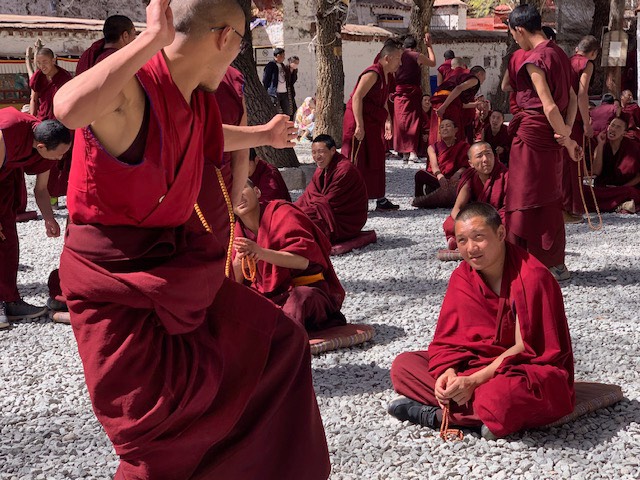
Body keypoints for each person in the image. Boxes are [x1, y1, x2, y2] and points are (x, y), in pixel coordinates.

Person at [53, 0, 330, 477]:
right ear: (226, 39)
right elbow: (68, 108)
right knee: (161, 429)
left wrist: (261, 132)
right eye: (242, 44)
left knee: (279, 345)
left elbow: (203, 134)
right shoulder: (132, 90)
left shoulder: (191, 99)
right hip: (120, 290)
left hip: (177, 276)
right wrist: (149, 40)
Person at [388, 202, 575, 440]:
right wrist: (449, 373)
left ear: (500, 233)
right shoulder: (462, 277)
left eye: (478, 237)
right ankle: (482, 418)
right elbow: (449, 342)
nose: (471, 248)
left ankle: (435, 416)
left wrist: (474, 381)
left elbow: (527, 347)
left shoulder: (532, 277)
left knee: (504, 397)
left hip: (519, 370)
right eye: (462, 240)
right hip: (472, 367)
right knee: (403, 366)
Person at [505, 4, 580, 282]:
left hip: (534, 134)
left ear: (520, 29)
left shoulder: (535, 59)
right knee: (549, 197)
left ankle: (522, 262)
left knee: (524, 198)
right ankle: (554, 264)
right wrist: (567, 132)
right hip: (552, 135)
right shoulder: (559, 53)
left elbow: (548, 106)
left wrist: (567, 135)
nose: (515, 40)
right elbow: (571, 98)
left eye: (514, 34)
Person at [234, 180, 347, 331]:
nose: (238, 197)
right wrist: (238, 262)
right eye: (232, 194)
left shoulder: (282, 212)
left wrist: (261, 253)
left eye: (242, 188)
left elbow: (303, 262)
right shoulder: (235, 231)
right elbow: (234, 281)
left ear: (257, 192)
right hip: (266, 296)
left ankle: (279, 337)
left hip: (303, 288)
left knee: (300, 300)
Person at [0, 109, 71, 328]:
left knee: (7, 239)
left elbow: (41, 190)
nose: (60, 159)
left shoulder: (46, 141)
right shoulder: (7, 133)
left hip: (4, 178)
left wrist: (49, 219)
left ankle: (10, 300)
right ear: (40, 147)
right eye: (58, 154)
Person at [341, 39, 403, 211]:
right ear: (388, 58)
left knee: (375, 157)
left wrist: (388, 121)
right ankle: (350, 198)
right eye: (398, 58)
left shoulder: (386, 75)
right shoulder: (373, 73)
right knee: (357, 159)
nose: (401, 62)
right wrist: (359, 126)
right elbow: (357, 97)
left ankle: (380, 198)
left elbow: (382, 100)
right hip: (358, 119)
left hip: (373, 121)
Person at [295, 134, 368, 243]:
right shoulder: (321, 168)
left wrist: (300, 212)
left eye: (321, 152)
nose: (317, 157)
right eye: (314, 153)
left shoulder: (345, 170)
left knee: (299, 220)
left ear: (333, 150)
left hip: (344, 222)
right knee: (289, 214)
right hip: (325, 212)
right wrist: (292, 208)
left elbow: (328, 202)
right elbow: (308, 195)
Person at [442, 142, 508, 250]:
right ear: (471, 163)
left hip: (495, 219)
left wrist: (483, 225)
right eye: (479, 156)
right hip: (473, 220)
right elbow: (457, 209)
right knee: (450, 223)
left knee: (509, 222)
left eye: (488, 154)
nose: (485, 159)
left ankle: (464, 240)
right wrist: (469, 223)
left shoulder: (505, 176)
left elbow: (508, 208)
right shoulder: (470, 177)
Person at [562, 35, 599, 221]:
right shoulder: (587, 64)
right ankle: (572, 207)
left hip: (561, 116)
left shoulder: (566, 62)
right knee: (574, 160)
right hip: (575, 117)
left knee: (563, 162)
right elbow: (582, 94)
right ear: (593, 53)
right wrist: (586, 122)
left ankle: (563, 206)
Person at [392, 34, 436, 163]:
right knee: (413, 121)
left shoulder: (398, 55)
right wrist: (429, 46)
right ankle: (412, 152)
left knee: (400, 121)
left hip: (399, 93)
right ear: (415, 46)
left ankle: (403, 152)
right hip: (413, 93)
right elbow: (433, 63)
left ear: (404, 46)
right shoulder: (417, 56)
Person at [584, 117, 640, 213]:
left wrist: (621, 187)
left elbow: (639, 176)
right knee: (585, 192)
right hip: (605, 188)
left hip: (626, 187)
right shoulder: (602, 146)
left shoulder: (634, 147)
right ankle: (622, 205)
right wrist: (600, 144)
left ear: (624, 133)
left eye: (618, 127)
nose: (613, 129)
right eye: (612, 125)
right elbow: (596, 172)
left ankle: (614, 204)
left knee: (630, 192)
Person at [413, 119, 469, 208]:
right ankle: (419, 199)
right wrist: (440, 177)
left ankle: (442, 198)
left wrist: (457, 174)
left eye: (448, 126)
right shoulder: (433, 147)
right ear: (439, 132)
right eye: (442, 127)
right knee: (419, 174)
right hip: (438, 180)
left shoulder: (464, 146)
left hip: (455, 180)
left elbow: (466, 165)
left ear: (456, 130)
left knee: (470, 176)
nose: (445, 129)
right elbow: (434, 166)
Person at [430, 65, 486, 145]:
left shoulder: (460, 77)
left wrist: (475, 104)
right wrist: (444, 106)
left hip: (441, 100)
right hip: (445, 103)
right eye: (484, 78)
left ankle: (438, 152)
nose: (483, 82)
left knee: (437, 129)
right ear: (479, 74)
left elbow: (459, 104)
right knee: (454, 130)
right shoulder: (474, 80)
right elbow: (458, 88)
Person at [262, 47, 298, 119]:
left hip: (285, 93)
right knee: (276, 113)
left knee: (287, 112)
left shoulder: (283, 66)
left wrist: (293, 71)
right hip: (275, 94)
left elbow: (290, 80)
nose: (284, 58)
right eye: (283, 56)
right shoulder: (271, 65)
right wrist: (269, 91)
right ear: (278, 56)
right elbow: (265, 80)